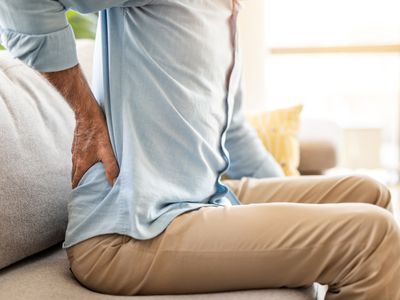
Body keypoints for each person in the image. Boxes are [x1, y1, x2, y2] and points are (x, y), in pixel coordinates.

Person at [1, 1, 399, 299]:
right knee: (373, 238)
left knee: (370, 194)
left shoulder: (223, 14)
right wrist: (86, 116)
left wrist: (287, 221)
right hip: (128, 234)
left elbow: (235, 131)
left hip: (198, 198)